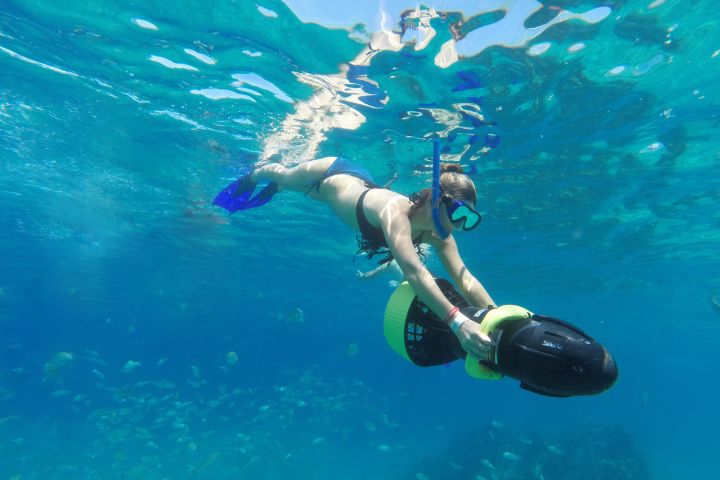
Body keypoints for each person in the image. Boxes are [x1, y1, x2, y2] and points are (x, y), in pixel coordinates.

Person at [213, 155, 494, 360]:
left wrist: (500, 317)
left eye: (470, 219)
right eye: (458, 212)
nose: (460, 224)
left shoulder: (439, 235)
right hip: (331, 172)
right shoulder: (395, 214)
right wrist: (458, 322)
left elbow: (464, 278)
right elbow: (415, 272)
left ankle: (277, 185)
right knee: (286, 178)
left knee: (297, 189)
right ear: (435, 198)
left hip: (358, 182)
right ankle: (256, 173)